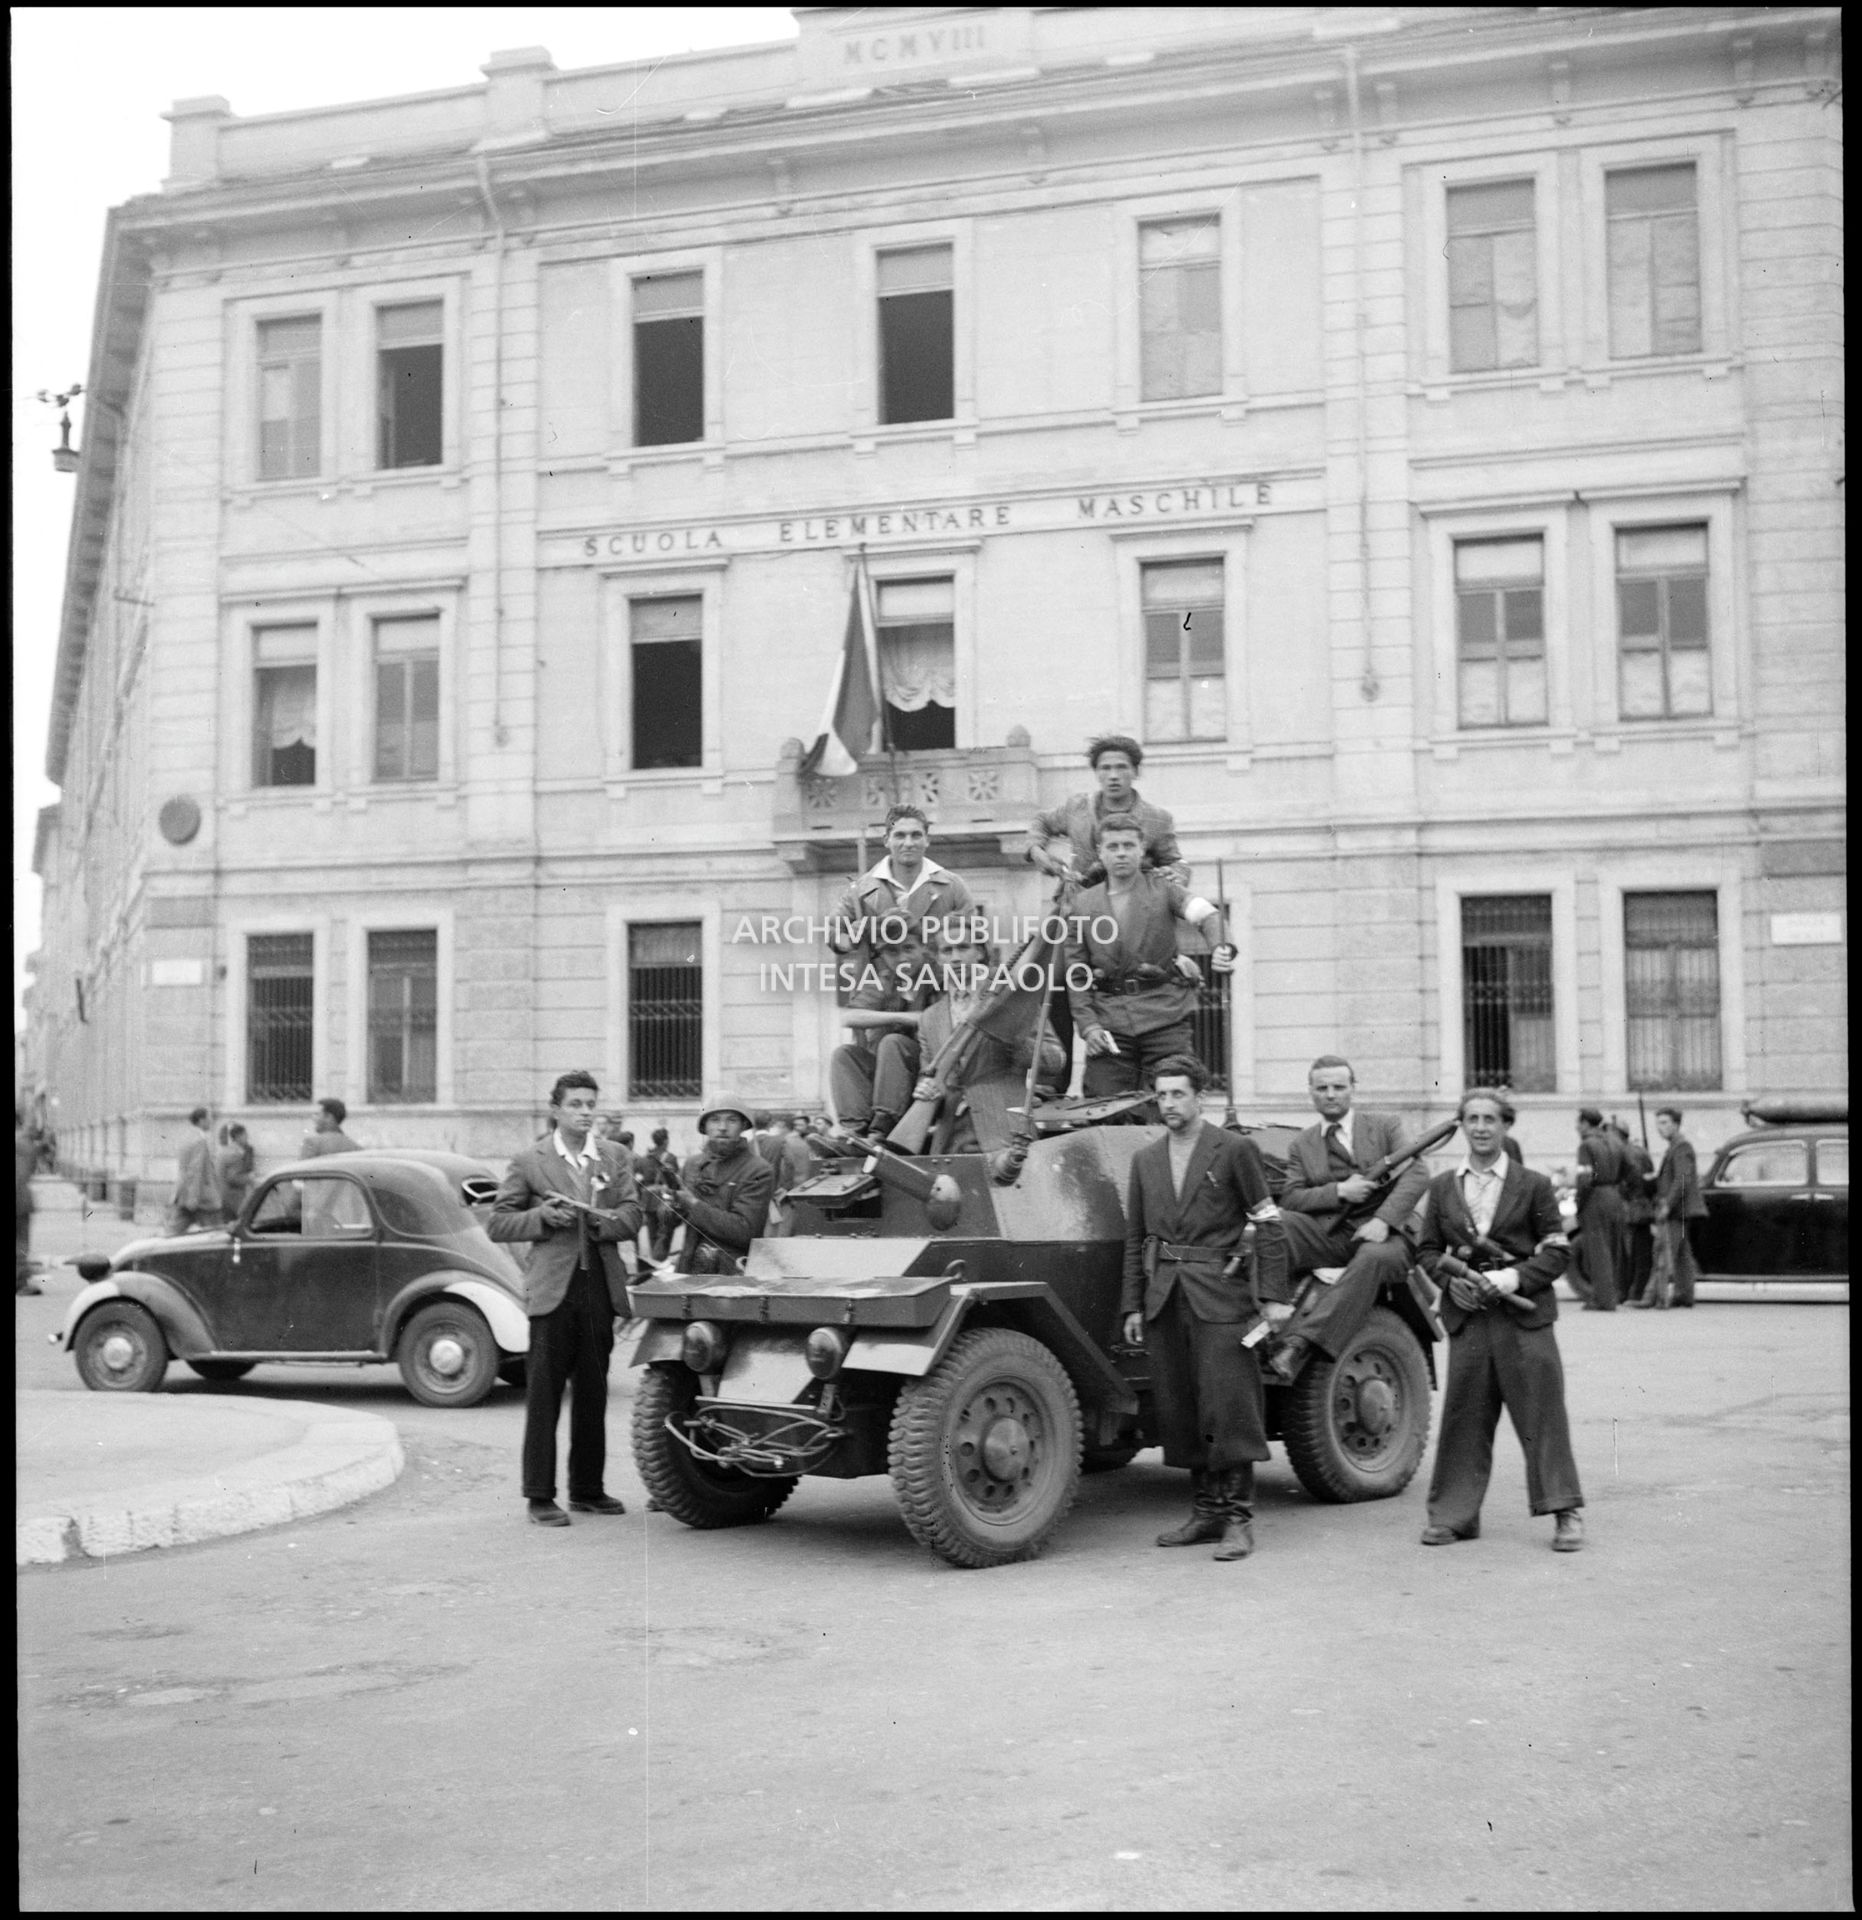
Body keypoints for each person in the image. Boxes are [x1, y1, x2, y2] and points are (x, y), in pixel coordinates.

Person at [1121, 1054, 1289, 1561]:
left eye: (1178, 1093)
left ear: (1200, 1097)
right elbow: (1134, 1239)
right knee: (1183, 1406)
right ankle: (1206, 1511)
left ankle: (1238, 1518)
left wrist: (1275, 1299)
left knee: (1228, 1405)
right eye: (1162, 1094)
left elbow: (1270, 1224)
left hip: (1220, 1294)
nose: (1169, 1103)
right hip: (1165, 1297)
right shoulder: (1145, 1160)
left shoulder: (1235, 1150)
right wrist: (1132, 1305)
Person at [1417, 1088, 1584, 1552]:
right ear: (1463, 1126)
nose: (1481, 1127)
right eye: (1472, 1119)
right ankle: (1453, 1516)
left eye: (1490, 1119)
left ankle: (1565, 1511)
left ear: (1506, 1125)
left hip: (1523, 1318)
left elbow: (1557, 1250)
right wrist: (1451, 1284)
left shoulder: (1533, 1185)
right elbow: (1427, 1251)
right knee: (1463, 1418)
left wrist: (1512, 1278)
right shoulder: (1443, 1186)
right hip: (1469, 1319)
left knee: (1542, 1413)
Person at [488, 1070, 641, 1528]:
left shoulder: (614, 1157)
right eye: (575, 1104)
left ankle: (587, 1490)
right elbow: (498, 1222)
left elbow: (633, 1215)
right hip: (553, 1290)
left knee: (594, 1394)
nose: (585, 1112)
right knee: (545, 1396)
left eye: (591, 1104)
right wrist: (542, 1216)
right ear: (556, 1109)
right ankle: (539, 1496)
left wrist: (601, 1224)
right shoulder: (530, 1160)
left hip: (597, 1287)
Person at [1025, 733, 1187, 1086]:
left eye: (1121, 768)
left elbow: (1178, 864)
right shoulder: (1076, 808)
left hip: (1130, 921)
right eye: (1105, 768)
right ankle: (1053, 1084)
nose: (1113, 775)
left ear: (1135, 772)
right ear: (1096, 773)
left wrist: (1172, 875)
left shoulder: (1156, 819)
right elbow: (1040, 823)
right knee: (1057, 990)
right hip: (1078, 913)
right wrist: (1038, 852)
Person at [1268, 1057, 1429, 1385]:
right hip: (1336, 1234)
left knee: (1371, 1257)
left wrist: (1384, 1220)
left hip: (1391, 1237)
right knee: (1276, 1224)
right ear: (1310, 1092)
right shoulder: (1303, 1143)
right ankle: (1270, 1311)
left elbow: (1416, 1172)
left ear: (1353, 1089)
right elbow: (1291, 1197)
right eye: (1322, 1088)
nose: (1330, 1094)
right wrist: (1340, 1190)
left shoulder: (1385, 1126)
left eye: (1339, 1087)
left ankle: (1299, 1343)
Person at [1064, 816, 1234, 1099]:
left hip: (1164, 1019)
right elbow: (1076, 973)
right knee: (1102, 1108)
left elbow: (1207, 915)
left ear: (1142, 848)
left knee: (1176, 1103)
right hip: (1109, 1024)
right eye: (1113, 846)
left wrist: (1220, 947)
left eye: (1129, 845)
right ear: (1100, 851)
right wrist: (1089, 1026)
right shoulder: (1082, 904)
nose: (1121, 853)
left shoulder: (1165, 889)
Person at [905, 936, 1068, 1153]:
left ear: (980, 952)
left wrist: (1014, 1042)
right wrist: (926, 1089)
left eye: (963, 947)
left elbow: (1056, 1060)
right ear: (937, 958)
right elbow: (929, 1077)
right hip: (950, 1140)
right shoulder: (929, 1018)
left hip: (1005, 1132)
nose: (955, 958)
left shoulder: (1010, 1001)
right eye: (946, 950)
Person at [661, 1096, 774, 1274]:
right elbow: (670, 1222)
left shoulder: (758, 1169)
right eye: (714, 1120)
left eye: (732, 1120)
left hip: (731, 1274)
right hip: (689, 1268)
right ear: (704, 1127)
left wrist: (693, 1204)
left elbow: (745, 1231)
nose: (722, 1127)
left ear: (743, 1126)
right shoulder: (692, 1164)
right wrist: (672, 1206)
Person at [1646, 1105, 1706, 1310]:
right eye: (1658, 1124)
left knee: (1665, 1253)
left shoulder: (1681, 1147)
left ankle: (1657, 1298)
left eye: (1664, 1123)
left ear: (1676, 1124)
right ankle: (1683, 1295)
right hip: (1680, 1209)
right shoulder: (1677, 1146)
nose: (1659, 1128)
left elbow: (1682, 1179)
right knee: (1681, 1254)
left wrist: (1667, 1205)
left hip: (1676, 1209)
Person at [1572, 1107, 1626, 1311]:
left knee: (1598, 1251)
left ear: (1586, 1123)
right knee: (1613, 1249)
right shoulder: (1615, 1141)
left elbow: (1584, 1179)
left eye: (1579, 1123)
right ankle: (1614, 1293)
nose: (1577, 1127)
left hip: (1595, 1198)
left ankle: (1603, 1299)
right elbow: (1630, 1170)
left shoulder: (1586, 1146)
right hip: (1614, 1195)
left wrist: (1579, 1204)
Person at [1614, 1121, 1657, 1305]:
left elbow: (1632, 1181)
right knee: (1637, 1253)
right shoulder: (1636, 1151)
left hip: (1634, 1207)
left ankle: (1634, 1292)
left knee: (1636, 1254)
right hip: (1639, 1206)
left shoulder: (1625, 1153)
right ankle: (1632, 1292)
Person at [169, 1106, 223, 1233]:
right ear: (201, 1120)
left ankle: (157, 1247)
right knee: (215, 1234)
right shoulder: (199, 1141)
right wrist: (193, 1199)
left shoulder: (186, 1137)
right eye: (209, 1118)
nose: (211, 1121)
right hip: (201, 1198)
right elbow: (196, 1171)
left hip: (184, 1194)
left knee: (173, 1232)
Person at [16, 1109, 40, 1295]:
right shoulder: (25, 1145)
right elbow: (27, 1172)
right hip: (20, 1200)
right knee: (21, 1243)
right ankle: (21, 1282)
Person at [215, 1123, 256, 1222]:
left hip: (223, 1197)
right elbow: (233, 1178)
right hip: (233, 1199)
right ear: (238, 1137)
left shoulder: (225, 1151)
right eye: (245, 1135)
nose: (247, 1138)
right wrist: (249, 1177)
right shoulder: (235, 1153)